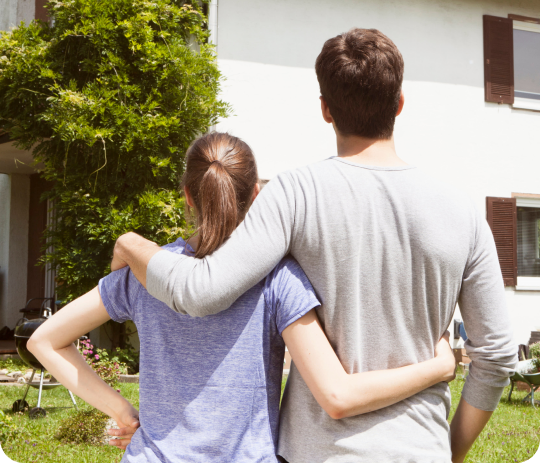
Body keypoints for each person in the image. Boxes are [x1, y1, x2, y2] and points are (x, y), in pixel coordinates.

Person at [112, 29, 517, 463]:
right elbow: (496, 356)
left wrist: (132, 244)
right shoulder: (462, 209)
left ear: (325, 110)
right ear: (399, 105)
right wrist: (448, 452)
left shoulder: (295, 193)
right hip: (422, 451)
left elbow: (201, 291)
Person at [28, 132, 456, 463]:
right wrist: (438, 366)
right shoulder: (277, 279)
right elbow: (338, 395)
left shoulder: (146, 273)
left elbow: (44, 341)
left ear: (187, 196)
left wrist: (121, 410)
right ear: (256, 196)